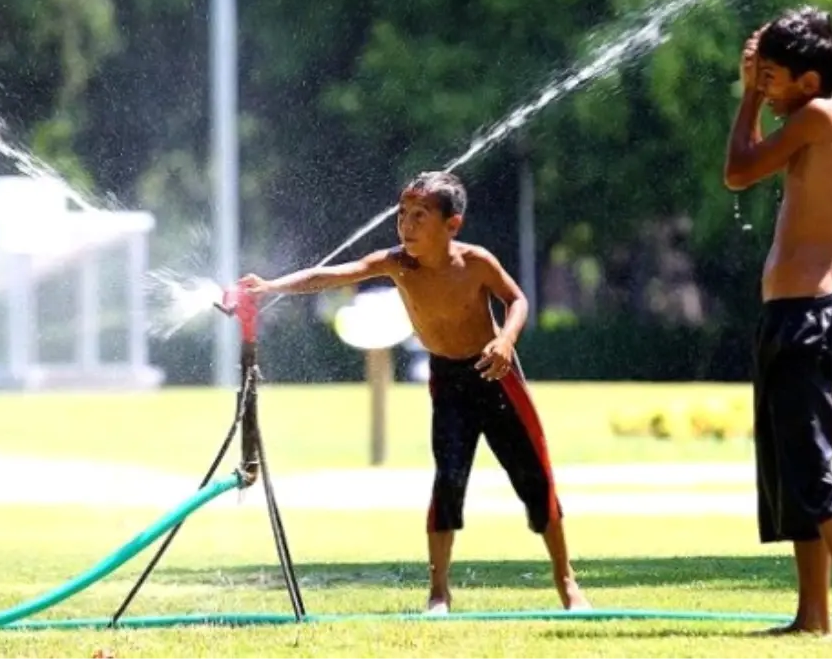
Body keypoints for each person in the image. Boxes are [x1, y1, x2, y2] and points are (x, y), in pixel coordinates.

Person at [236, 171, 590, 614]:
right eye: (402, 214)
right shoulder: (395, 263)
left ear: (451, 225)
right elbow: (333, 274)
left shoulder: (475, 261)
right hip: (449, 381)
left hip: (496, 375)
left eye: (420, 215)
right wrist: (270, 286)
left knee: (534, 478)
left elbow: (516, 299)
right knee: (448, 480)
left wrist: (506, 341)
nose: (406, 224)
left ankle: (567, 583)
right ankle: (439, 593)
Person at [724, 6, 832, 641]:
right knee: (794, 470)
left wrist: (747, 96)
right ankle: (813, 615)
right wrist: (761, 81)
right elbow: (763, 147)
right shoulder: (817, 117)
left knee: (813, 466)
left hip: (805, 317)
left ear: (807, 81)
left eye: (772, 75)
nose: (762, 83)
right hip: (789, 314)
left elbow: (738, 169)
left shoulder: (823, 118)